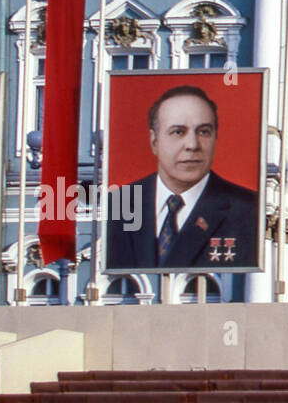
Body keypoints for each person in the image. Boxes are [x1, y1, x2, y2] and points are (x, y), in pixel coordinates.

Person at [106, 84, 258, 270]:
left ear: (215, 138)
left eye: (203, 132)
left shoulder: (247, 210)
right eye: (178, 132)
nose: (192, 145)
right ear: (154, 141)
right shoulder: (120, 203)